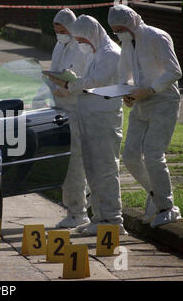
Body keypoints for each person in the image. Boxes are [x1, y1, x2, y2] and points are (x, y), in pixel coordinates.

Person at [49, 15, 125, 235]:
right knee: (92, 170)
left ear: (93, 34)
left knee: (105, 170)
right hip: (91, 117)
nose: (80, 44)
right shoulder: (96, 52)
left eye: (82, 40)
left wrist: (69, 84)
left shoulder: (110, 54)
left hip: (104, 119)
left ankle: (112, 219)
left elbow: (94, 83)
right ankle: (100, 217)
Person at [108, 4, 183, 228]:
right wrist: (126, 92)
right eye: (114, 30)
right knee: (130, 155)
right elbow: (124, 73)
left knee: (153, 154)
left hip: (163, 101)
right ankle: (156, 194)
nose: (118, 33)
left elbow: (174, 71)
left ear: (132, 22)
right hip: (140, 103)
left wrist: (150, 90)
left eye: (121, 28)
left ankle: (168, 207)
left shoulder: (157, 37)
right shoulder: (128, 44)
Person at [40, 9, 90, 229]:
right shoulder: (59, 45)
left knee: (76, 163)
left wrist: (69, 88)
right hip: (61, 110)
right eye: (56, 30)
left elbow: (86, 80)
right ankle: (75, 208)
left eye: (63, 30)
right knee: (68, 163)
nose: (59, 34)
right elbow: (56, 71)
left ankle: (78, 212)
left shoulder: (82, 48)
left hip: (78, 109)